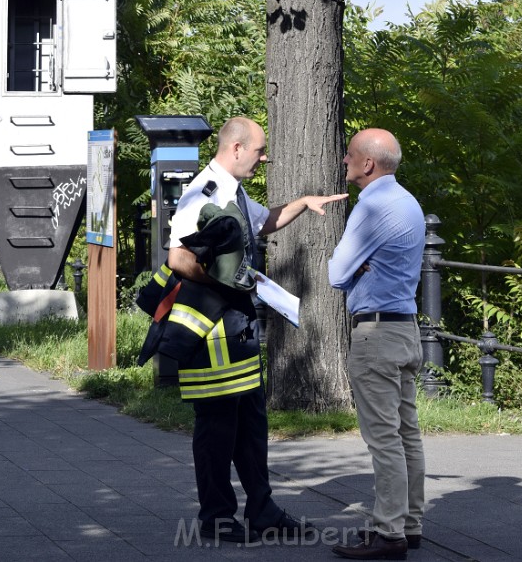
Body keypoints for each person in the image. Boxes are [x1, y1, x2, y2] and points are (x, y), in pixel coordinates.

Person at [165, 116, 347, 543]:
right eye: (259, 151)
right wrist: (225, 285)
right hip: (212, 328)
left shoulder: (234, 190)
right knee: (216, 425)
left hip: (237, 325)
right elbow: (177, 258)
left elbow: (263, 223)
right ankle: (216, 515)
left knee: (251, 420)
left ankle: (262, 509)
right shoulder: (203, 193)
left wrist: (303, 202)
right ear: (236, 149)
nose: (264, 158)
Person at [327, 129, 426, 560]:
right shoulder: (409, 202)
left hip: (376, 336)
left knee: (384, 439)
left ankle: (389, 534)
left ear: (368, 164)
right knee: (408, 434)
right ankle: (410, 523)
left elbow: (335, 273)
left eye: (349, 155)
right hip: (406, 330)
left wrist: (355, 266)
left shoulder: (371, 205)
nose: (345, 161)